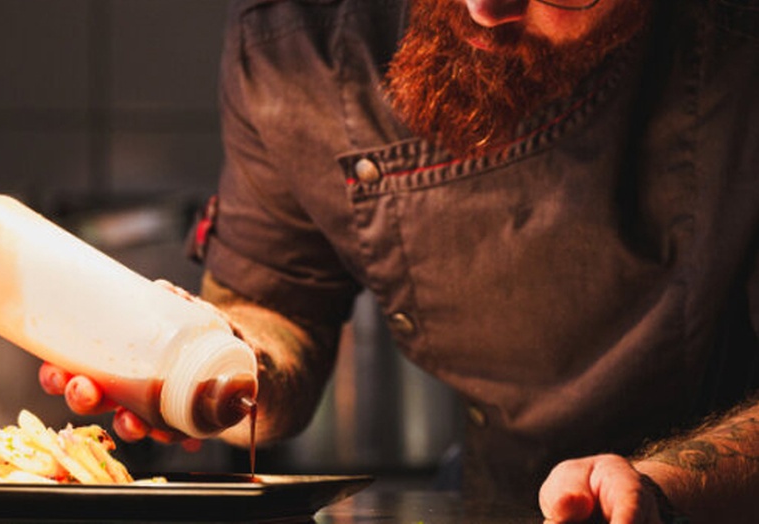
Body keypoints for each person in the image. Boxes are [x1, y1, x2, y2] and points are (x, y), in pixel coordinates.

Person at [39, 0, 759, 521]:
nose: (483, 7)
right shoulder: (299, 36)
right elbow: (277, 306)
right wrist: (202, 368)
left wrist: (662, 487)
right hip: (491, 495)